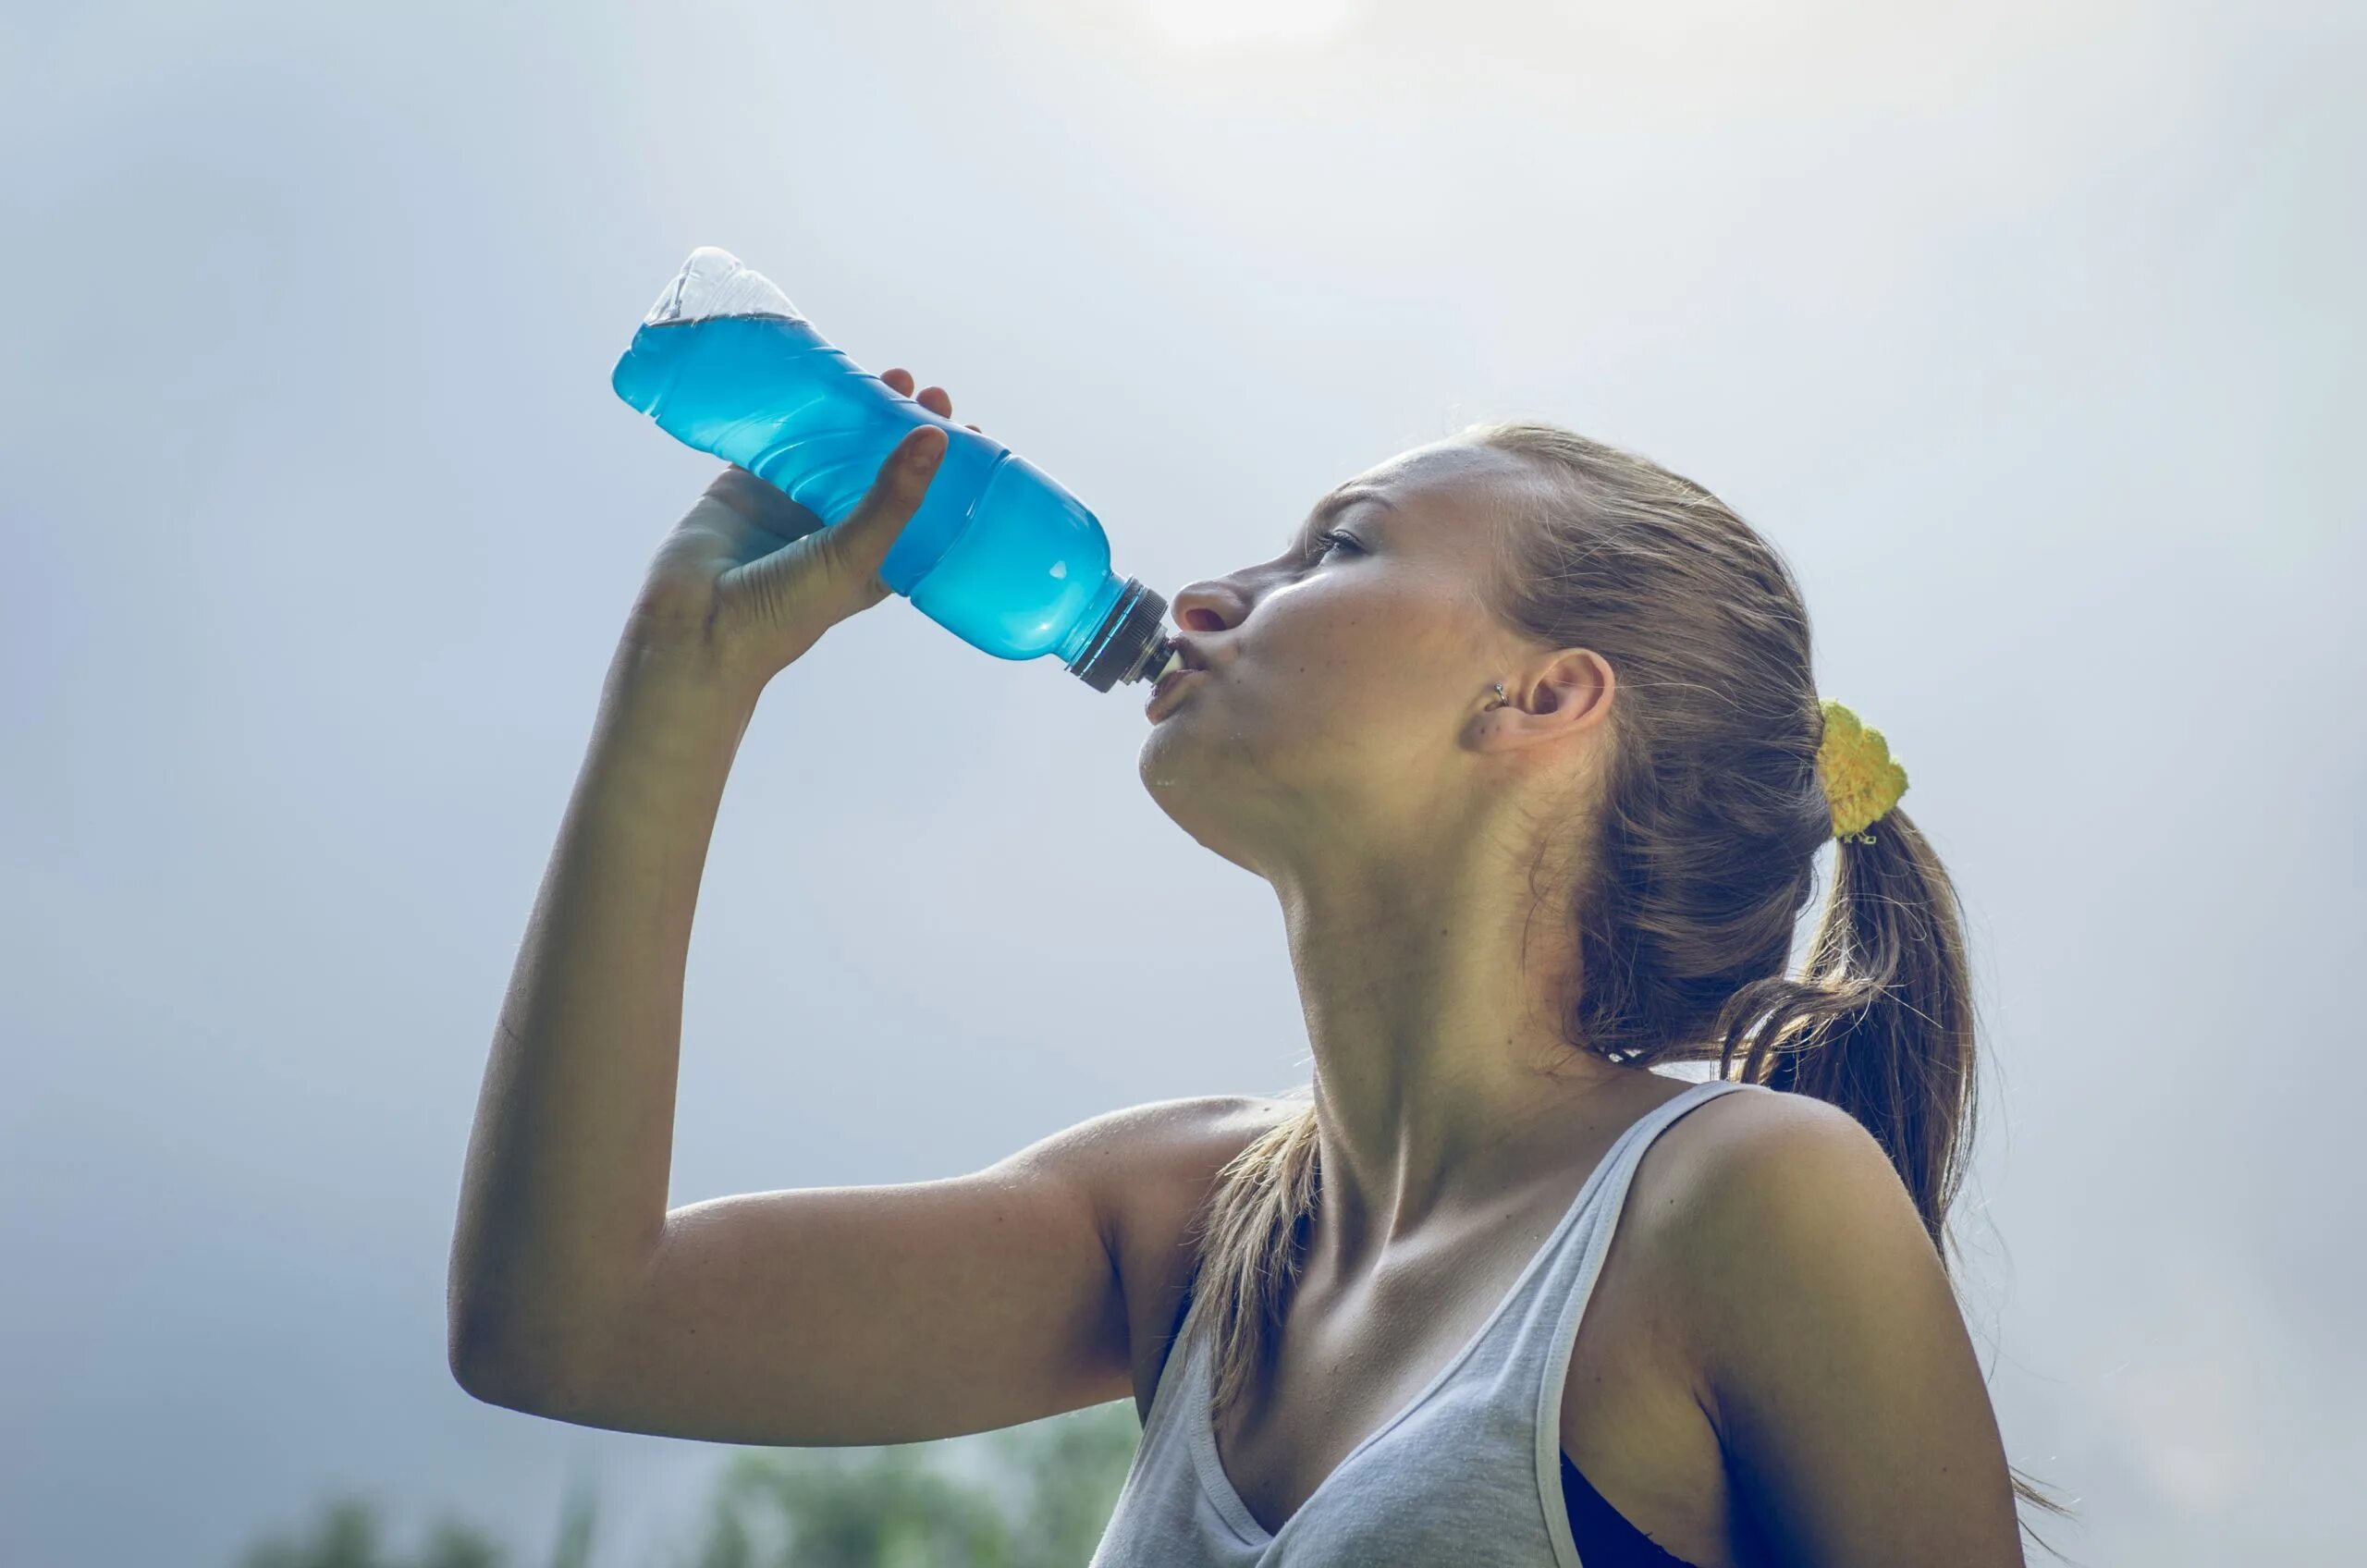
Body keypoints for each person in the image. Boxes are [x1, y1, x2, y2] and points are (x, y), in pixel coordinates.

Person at [448, 370, 2066, 1565]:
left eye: (1337, 549)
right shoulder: (1183, 1223)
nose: (1212, 594)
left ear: (1546, 699)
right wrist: (686, 674)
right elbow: (566, 1323)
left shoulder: (1746, 1198)